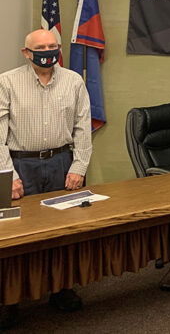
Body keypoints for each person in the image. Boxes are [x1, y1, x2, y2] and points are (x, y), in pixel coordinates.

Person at [0, 29, 93, 325]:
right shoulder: (7, 82)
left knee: (64, 232)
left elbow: (83, 127)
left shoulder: (73, 81)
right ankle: (10, 300)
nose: (48, 51)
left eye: (53, 46)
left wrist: (79, 167)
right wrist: (8, 175)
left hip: (61, 163)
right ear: (26, 53)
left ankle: (61, 289)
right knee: (15, 239)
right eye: (41, 47)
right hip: (20, 165)